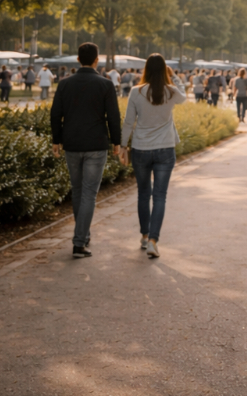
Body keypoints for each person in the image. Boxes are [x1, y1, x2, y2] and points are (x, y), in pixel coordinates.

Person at [50, 43, 121, 259]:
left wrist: (56, 140)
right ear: (96, 60)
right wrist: (116, 141)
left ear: (78, 60)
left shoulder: (64, 84)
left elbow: (55, 114)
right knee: (89, 193)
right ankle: (79, 242)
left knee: (78, 191)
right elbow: (114, 116)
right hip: (96, 144)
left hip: (71, 144)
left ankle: (83, 235)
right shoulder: (105, 85)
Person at [120, 54, 186, 259]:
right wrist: (174, 77)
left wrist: (123, 146)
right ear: (165, 70)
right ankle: (153, 241)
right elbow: (184, 96)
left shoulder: (136, 92)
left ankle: (144, 234)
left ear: (145, 70)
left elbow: (129, 122)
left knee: (143, 194)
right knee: (160, 196)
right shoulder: (171, 92)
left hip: (141, 148)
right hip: (165, 149)